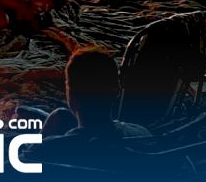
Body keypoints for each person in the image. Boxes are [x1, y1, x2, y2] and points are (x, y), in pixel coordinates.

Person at [22, 48, 151, 168]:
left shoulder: (47, 150)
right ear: (116, 91)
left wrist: (38, 142)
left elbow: (17, 169)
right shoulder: (143, 136)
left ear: (71, 96)